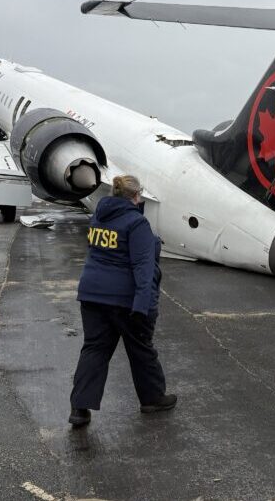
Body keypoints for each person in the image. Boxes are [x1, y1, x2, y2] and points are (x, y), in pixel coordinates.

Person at [68, 174, 175, 428]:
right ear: (136, 196)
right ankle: (152, 398)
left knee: (94, 349)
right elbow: (143, 267)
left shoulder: (98, 217)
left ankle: (80, 409)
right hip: (124, 300)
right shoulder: (136, 224)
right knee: (141, 348)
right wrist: (142, 305)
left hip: (92, 295)